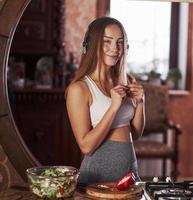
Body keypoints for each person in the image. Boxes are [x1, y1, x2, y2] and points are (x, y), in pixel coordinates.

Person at [66, 17, 145, 184]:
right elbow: (86, 146)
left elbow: (136, 133)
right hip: (98, 177)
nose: (114, 49)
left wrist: (141, 102)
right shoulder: (79, 89)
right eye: (106, 42)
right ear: (92, 45)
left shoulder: (127, 80)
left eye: (120, 43)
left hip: (130, 175)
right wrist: (113, 107)